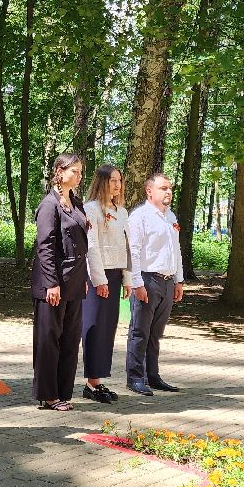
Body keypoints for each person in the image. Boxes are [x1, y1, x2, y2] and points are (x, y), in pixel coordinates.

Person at [32, 154, 88, 410]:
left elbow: (82, 245)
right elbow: (45, 246)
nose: (78, 175)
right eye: (74, 171)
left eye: (80, 171)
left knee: (69, 339)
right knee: (49, 338)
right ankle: (48, 394)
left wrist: (83, 278)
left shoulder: (76, 202)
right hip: (53, 282)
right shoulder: (49, 205)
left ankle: (63, 392)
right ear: (59, 171)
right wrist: (50, 283)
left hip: (74, 281)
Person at [124, 173, 184, 396]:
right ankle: (135, 377)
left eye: (170, 188)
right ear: (149, 191)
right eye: (163, 188)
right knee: (140, 331)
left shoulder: (171, 217)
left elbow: (176, 251)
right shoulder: (140, 216)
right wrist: (137, 282)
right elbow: (134, 252)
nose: (168, 192)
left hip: (167, 282)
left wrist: (178, 280)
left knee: (156, 333)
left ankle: (153, 375)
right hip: (147, 280)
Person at [81, 163, 129, 404]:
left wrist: (127, 278)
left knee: (108, 329)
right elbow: (92, 246)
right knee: (94, 327)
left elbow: (127, 248)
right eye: (112, 180)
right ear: (102, 182)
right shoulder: (91, 209)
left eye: (119, 180)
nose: (117, 185)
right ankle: (91, 381)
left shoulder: (122, 212)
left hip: (115, 275)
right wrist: (99, 279)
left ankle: (98, 379)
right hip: (96, 275)